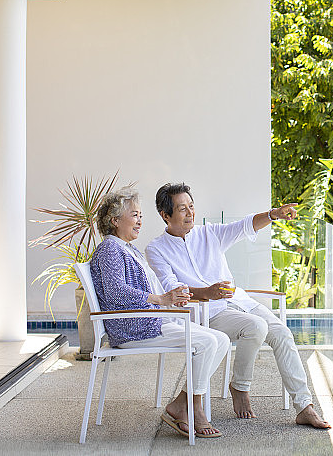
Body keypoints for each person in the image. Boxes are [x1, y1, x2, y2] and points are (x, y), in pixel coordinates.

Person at [145, 182, 330, 429]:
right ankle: (240, 387)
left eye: (191, 206)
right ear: (165, 215)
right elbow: (172, 290)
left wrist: (273, 214)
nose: (190, 213)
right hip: (207, 312)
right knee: (255, 327)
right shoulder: (156, 249)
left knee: (283, 333)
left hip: (238, 301)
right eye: (182, 209)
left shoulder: (208, 233)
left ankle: (305, 407)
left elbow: (244, 226)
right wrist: (206, 293)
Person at [90, 186, 231, 439]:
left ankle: (181, 404)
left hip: (149, 321)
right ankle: (194, 408)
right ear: (114, 220)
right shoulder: (110, 249)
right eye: (134, 215)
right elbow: (115, 292)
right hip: (134, 328)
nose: (140, 221)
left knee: (220, 339)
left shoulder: (126, 248)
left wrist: (172, 298)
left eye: (141, 215)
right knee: (210, 341)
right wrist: (161, 299)